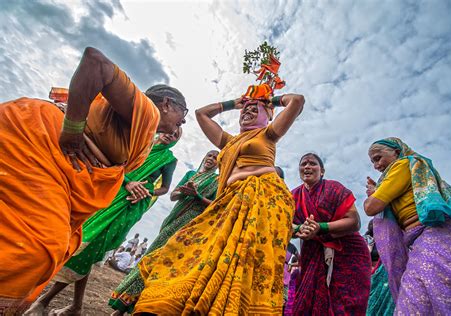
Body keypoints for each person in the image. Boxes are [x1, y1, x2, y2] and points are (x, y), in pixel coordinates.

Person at [0, 46, 188, 312]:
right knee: (40, 245)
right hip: (38, 144)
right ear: (167, 104)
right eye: (184, 116)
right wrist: (73, 129)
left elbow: (128, 171)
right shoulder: (148, 111)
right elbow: (94, 61)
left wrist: (136, 187)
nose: (182, 126)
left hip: (58, 170)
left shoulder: (146, 139)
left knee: (57, 242)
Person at [133, 87, 305, 314]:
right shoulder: (228, 141)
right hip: (227, 203)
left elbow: (297, 100)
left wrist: (266, 99)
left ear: (267, 116)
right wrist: (237, 102)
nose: (248, 111)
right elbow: (201, 114)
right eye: (246, 109)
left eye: (256, 109)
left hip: (261, 201)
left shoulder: (268, 134)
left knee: (244, 262)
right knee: (192, 248)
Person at [24, 129, 181, 315]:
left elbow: (164, 188)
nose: (170, 135)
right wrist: (129, 181)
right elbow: (117, 165)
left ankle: (44, 300)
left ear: (176, 140)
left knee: (90, 246)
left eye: (175, 135)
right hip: (109, 192)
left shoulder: (169, 160)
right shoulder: (141, 144)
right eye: (169, 132)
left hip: (129, 206)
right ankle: (74, 306)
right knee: (83, 245)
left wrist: (148, 191)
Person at [364, 137, 451, 314]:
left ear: (397, 153)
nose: (376, 166)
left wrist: (373, 194)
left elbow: (371, 207)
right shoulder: (399, 173)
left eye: (378, 158)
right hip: (426, 237)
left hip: (435, 235)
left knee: (417, 301)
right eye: (372, 162)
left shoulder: (402, 165)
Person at [109, 150, 220, 314]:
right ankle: (122, 304)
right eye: (209, 155)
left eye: (215, 158)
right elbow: (173, 195)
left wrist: (197, 196)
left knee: (165, 264)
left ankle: (142, 307)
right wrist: (184, 192)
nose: (211, 159)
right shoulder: (191, 174)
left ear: (219, 163)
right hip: (172, 221)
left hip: (191, 227)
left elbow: (215, 206)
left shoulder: (217, 181)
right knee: (150, 258)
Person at [289, 153, 371, 315]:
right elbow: (284, 225)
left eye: (312, 163)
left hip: (347, 253)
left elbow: (354, 222)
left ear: (322, 171)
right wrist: (300, 229)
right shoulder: (293, 197)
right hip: (313, 255)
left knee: (346, 304)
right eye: (303, 163)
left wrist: (321, 227)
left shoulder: (334, 188)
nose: (307, 166)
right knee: (309, 304)